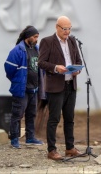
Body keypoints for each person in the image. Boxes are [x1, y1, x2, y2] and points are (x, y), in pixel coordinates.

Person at [38, 16, 83, 160]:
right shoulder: (47, 41)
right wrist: (56, 68)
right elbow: (41, 63)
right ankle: (52, 150)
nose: (67, 32)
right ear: (57, 27)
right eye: (65, 29)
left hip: (71, 85)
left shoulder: (72, 41)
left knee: (70, 119)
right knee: (54, 119)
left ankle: (70, 148)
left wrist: (77, 69)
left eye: (69, 28)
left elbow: (78, 60)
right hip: (56, 87)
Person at [4, 25, 44, 149]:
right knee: (17, 115)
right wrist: (18, 81)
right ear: (28, 37)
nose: (37, 39)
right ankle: (14, 138)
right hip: (22, 90)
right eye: (35, 36)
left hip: (34, 89)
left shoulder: (36, 49)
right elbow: (9, 69)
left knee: (31, 114)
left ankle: (30, 137)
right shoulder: (17, 50)